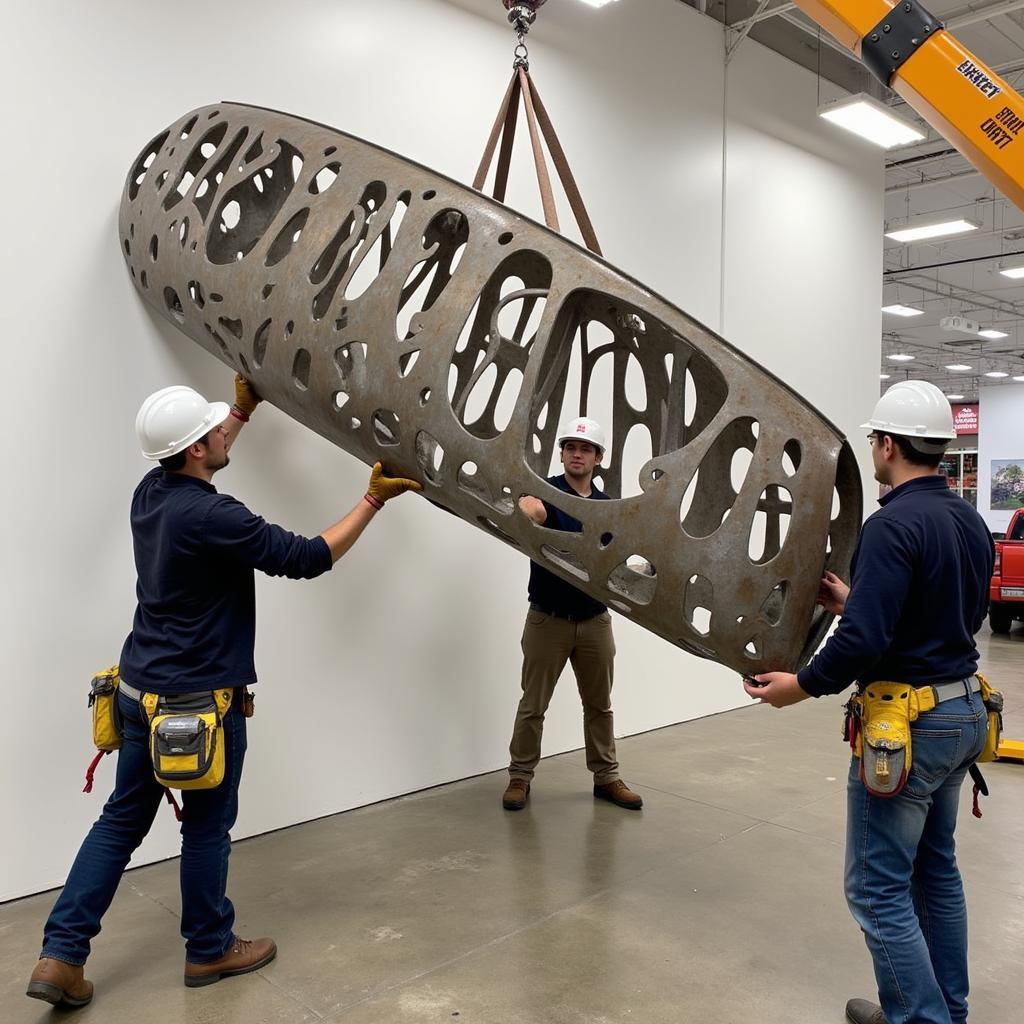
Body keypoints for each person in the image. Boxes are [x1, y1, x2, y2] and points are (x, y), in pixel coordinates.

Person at [27, 376, 421, 1007]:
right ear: (196, 449)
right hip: (197, 705)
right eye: (215, 429)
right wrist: (372, 500)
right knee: (207, 827)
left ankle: (59, 956)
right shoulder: (216, 516)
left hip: (136, 691)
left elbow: (200, 451)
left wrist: (240, 410)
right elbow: (309, 556)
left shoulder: (150, 492)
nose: (221, 433)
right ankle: (209, 949)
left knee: (118, 824)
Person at [744, 381, 993, 1024]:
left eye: (873, 440)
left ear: (885, 444)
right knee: (935, 871)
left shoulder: (889, 525)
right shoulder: (966, 518)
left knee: (877, 889)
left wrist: (796, 686)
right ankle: (947, 1010)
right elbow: (953, 614)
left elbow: (863, 643)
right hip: (963, 711)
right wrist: (859, 599)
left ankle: (920, 1018)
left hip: (911, 726)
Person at [502, 416, 643, 812]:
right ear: (562, 453)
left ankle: (607, 777)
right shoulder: (546, 492)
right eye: (569, 447)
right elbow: (532, 510)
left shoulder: (605, 507)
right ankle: (520, 776)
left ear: (598, 458)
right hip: (547, 619)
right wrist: (530, 511)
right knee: (534, 704)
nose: (575, 454)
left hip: (595, 620)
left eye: (584, 449)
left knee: (599, 704)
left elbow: (614, 558)